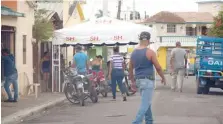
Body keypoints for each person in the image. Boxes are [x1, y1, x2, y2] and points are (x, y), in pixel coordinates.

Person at [129, 31, 166, 124]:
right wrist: (163, 77)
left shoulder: (133, 53)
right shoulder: (150, 52)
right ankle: (136, 122)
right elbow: (158, 67)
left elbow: (130, 68)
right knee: (145, 104)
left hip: (138, 80)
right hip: (147, 80)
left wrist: (132, 81)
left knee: (146, 102)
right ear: (148, 40)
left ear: (140, 40)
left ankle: (149, 121)